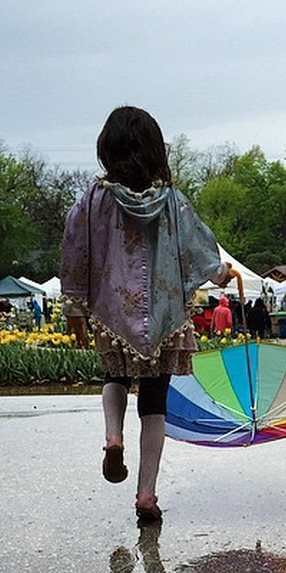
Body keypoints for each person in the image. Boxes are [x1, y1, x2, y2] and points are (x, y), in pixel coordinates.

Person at [61, 106, 232, 525]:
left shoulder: (92, 200)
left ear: (107, 148)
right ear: (155, 148)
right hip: (163, 316)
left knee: (114, 377)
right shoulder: (171, 201)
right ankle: (146, 494)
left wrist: (74, 307)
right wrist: (220, 273)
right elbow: (198, 246)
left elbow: (73, 250)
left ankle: (113, 436)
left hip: (112, 312)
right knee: (155, 401)